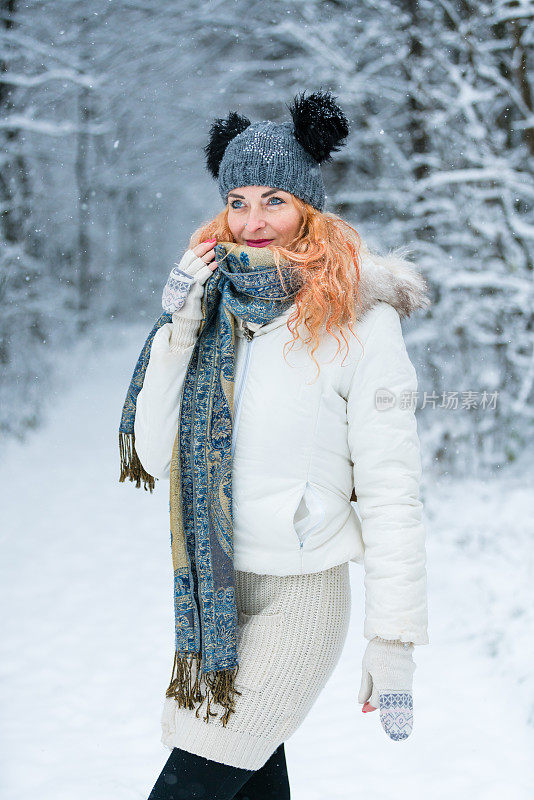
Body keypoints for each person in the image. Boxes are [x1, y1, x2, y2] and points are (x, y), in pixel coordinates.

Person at [119, 89, 430, 800]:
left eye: (274, 199)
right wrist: (177, 331)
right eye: (237, 201)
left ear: (308, 208)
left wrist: (393, 642)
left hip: (303, 597)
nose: (253, 222)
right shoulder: (212, 307)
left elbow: (391, 490)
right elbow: (150, 447)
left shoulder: (362, 323)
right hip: (219, 592)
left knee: (189, 785)